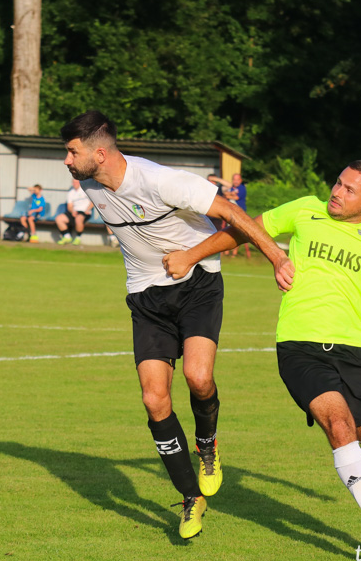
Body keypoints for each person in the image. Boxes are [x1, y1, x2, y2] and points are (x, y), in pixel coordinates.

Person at [163, 160, 361, 559]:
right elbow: (244, 229)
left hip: (357, 352)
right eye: (337, 183)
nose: (337, 193)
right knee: (339, 424)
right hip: (300, 347)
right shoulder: (304, 208)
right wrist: (191, 254)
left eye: (349, 190)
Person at [61, 110, 293, 539]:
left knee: (198, 377)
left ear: (99, 152)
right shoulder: (89, 182)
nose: (67, 161)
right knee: (154, 401)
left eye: (72, 152)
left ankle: (208, 444)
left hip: (197, 284)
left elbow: (236, 215)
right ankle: (190, 498)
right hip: (145, 296)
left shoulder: (162, 180)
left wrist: (277, 258)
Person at [209, 173, 248, 256]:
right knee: (228, 231)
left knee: (237, 231)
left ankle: (234, 253)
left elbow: (236, 197)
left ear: (240, 180)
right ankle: (226, 252)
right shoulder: (232, 188)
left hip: (239, 212)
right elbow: (226, 195)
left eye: (237, 179)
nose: (235, 181)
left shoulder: (241, 188)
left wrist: (216, 179)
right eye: (234, 179)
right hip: (230, 213)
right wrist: (230, 194)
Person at [56, 179, 93, 245]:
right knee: (59, 218)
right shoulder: (71, 193)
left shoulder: (85, 190)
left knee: (78, 219)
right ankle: (67, 237)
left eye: (76, 182)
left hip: (84, 211)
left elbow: (93, 202)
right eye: (73, 182)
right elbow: (69, 206)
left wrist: (87, 209)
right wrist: (72, 211)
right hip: (74, 211)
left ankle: (78, 237)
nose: (74, 183)